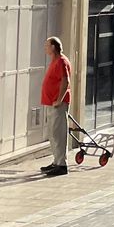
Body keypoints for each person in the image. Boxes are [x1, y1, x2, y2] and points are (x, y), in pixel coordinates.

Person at [40, 36, 72, 176]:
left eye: (47, 45)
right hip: (50, 103)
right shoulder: (54, 61)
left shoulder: (61, 61)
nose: (45, 48)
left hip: (57, 104)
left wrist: (59, 99)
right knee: (52, 134)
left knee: (58, 133)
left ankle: (61, 164)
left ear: (53, 47)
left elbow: (65, 81)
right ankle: (56, 161)